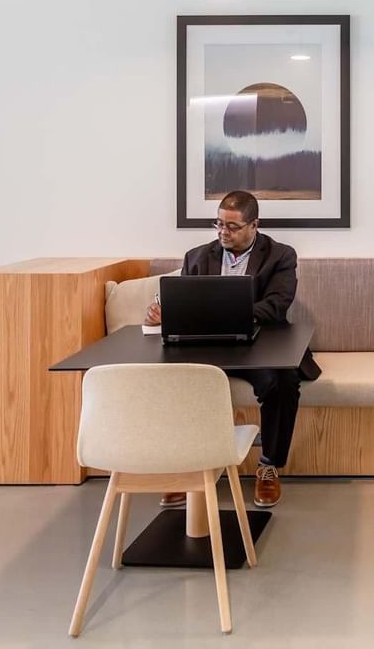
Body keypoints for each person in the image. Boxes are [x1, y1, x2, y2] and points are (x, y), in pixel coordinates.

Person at [146, 189, 319, 509]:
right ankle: (191, 468)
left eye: (233, 226)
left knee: (283, 381)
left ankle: (268, 466)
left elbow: (278, 304)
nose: (223, 232)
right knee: (178, 379)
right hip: (208, 345)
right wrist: (163, 313)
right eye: (219, 224)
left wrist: (231, 312)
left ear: (254, 225)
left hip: (261, 344)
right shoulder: (196, 257)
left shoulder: (280, 255)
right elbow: (185, 305)